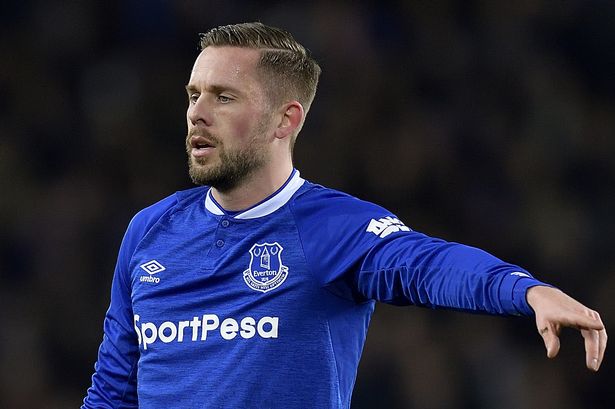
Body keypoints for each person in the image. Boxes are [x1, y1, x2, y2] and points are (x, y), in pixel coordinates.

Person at [82, 22, 607, 408]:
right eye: (194, 95)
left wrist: (525, 290)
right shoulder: (149, 231)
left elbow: (426, 265)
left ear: (285, 121)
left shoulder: (329, 228)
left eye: (223, 97)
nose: (197, 113)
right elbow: (112, 392)